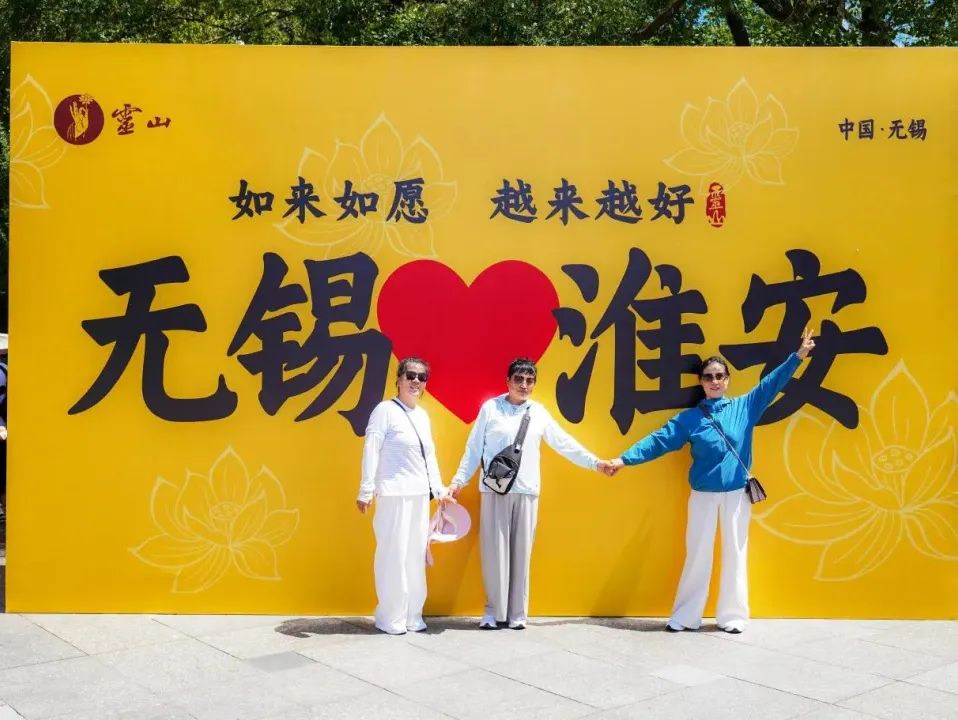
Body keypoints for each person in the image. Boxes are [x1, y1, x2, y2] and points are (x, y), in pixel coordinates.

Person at [605, 329, 816, 634]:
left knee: (735, 553)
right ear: (701, 382)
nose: (714, 381)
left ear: (727, 380)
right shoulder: (690, 419)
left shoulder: (745, 406)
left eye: (719, 376)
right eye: (708, 377)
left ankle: (733, 616)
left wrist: (798, 356)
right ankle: (685, 616)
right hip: (703, 495)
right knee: (698, 554)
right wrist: (623, 460)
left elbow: (772, 383)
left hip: (736, 495)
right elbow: (659, 440)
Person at [450, 358, 611, 630]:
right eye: (518, 379)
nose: (524, 385)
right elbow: (474, 448)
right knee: (494, 554)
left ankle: (517, 614)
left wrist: (595, 463)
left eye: (529, 380)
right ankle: (493, 612)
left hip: (527, 490)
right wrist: (458, 481)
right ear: (508, 381)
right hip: (495, 489)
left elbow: (563, 443)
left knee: (521, 555)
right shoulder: (491, 408)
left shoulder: (539, 412)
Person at [356, 357, 451, 635]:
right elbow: (371, 449)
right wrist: (366, 489)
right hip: (393, 493)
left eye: (422, 377)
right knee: (393, 555)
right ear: (398, 379)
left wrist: (440, 489)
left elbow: (429, 457)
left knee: (414, 556)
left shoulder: (422, 416)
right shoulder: (384, 411)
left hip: (419, 494)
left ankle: (412, 615)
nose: (415, 381)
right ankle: (390, 617)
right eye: (410, 375)